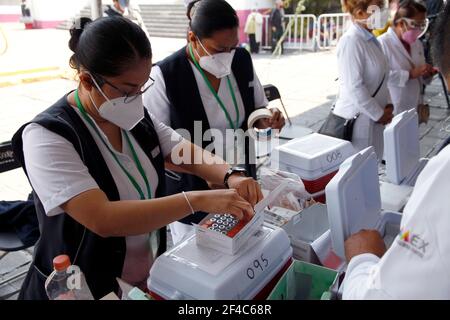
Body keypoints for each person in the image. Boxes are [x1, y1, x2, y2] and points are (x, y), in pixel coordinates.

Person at [11, 16, 262, 300]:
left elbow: (180, 149)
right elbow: (101, 218)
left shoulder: (132, 114)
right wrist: (196, 200)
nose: (137, 98)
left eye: (143, 86)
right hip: (81, 286)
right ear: (86, 80)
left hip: (144, 273)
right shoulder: (48, 136)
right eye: (128, 89)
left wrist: (231, 175)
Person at [143, 0, 285, 245]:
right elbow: (156, 149)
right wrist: (209, 171)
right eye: (218, 49)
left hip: (241, 179)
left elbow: (255, 111)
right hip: (193, 190)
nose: (227, 57)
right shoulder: (166, 76)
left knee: (245, 246)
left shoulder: (240, 60)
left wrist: (266, 120)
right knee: (200, 258)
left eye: (233, 46)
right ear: (192, 38)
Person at [343, 1, 450, 299]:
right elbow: (356, 88)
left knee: (377, 164)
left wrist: (363, 260)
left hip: (392, 113)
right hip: (369, 118)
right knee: (365, 165)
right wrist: (380, 112)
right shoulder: (358, 42)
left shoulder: (443, 177)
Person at [332, 0, 394, 159]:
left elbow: (382, 76)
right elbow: (355, 87)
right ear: (360, 13)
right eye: (378, 7)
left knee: (372, 165)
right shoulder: (351, 41)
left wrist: (388, 104)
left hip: (374, 120)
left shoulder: (371, 40)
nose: (383, 11)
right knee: (358, 171)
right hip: (357, 123)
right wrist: (379, 114)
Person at [379, 0, 438, 117]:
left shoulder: (417, 44)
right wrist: (409, 74)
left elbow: (421, 75)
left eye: (422, 25)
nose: (419, 30)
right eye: (416, 25)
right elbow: (380, 77)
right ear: (401, 24)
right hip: (395, 106)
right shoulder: (382, 43)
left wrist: (427, 74)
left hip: (415, 104)